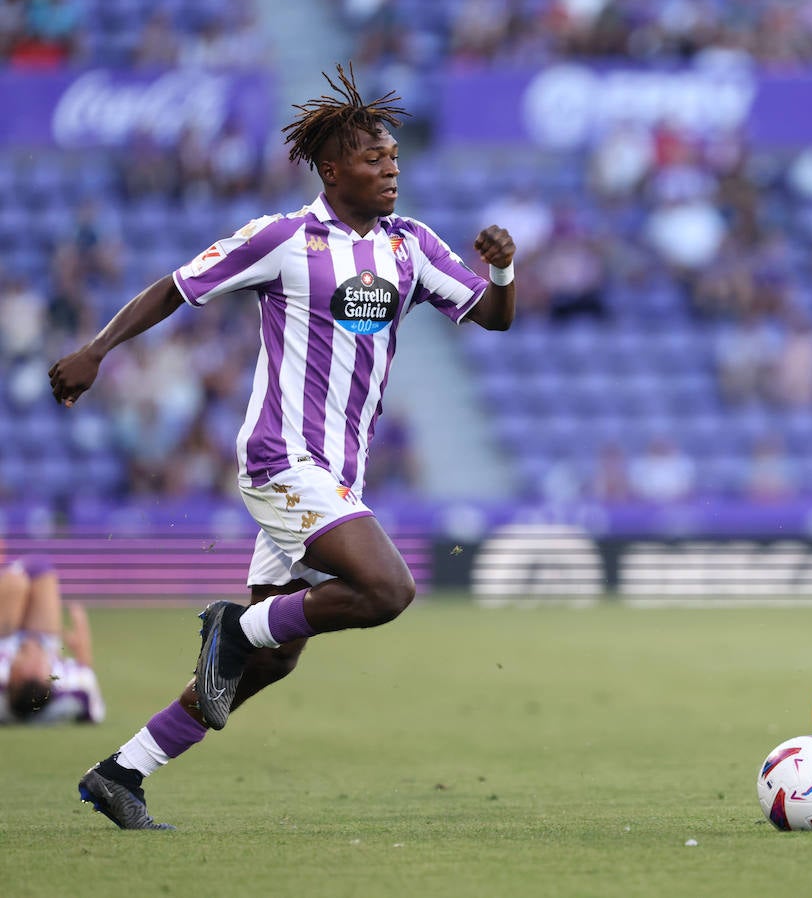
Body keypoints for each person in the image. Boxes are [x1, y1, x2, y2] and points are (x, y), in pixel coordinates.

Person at [48, 65, 517, 830]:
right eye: (374, 160)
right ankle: (229, 625)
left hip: (339, 473)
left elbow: (491, 317)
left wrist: (502, 269)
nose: (391, 170)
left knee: (270, 656)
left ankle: (123, 769)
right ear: (332, 170)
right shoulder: (284, 240)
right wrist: (98, 350)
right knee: (386, 590)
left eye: (395, 158)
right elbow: (176, 284)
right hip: (282, 460)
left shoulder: (411, 246)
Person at [0, 556, 104, 726]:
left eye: (25, 662)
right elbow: (93, 704)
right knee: (41, 570)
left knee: (16, 584)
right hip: (45, 640)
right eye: (41, 667)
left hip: (4, 639)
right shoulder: (69, 686)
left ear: (13, 678)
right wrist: (82, 650)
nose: (34, 655)